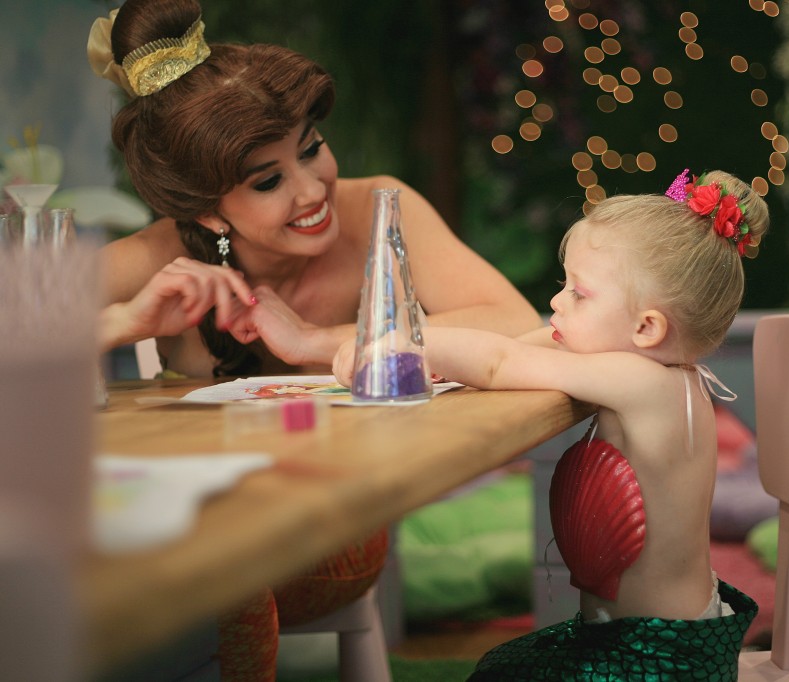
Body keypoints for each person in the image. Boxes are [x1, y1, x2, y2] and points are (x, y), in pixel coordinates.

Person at [86, 0, 539, 678]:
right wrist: (118, 325)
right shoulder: (161, 253)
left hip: (330, 534)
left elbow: (516, 322)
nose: (311, 190)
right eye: (268, 181)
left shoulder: (379, 207)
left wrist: (319, 340)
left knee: (205, 584)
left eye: (311, 150)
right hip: (180, 526)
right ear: (206, 208)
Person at [335, 169, 766, 680]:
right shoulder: (652, 371)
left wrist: (394, 344)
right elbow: (517, 348)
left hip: (661, 656)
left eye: (578, 294)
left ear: (646, 327)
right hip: (638, 636)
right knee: (502, 666)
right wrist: (442, 354)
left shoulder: (645, 385)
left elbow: (499, 363)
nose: (558, 302)